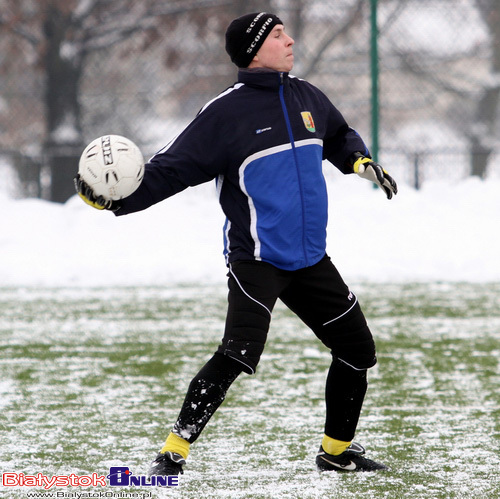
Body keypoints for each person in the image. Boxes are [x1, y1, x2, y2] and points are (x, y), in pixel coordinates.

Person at [75, 12, 397, 474]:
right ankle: (173, 452)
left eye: (286, 31)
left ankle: (336, 451)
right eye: (278, 34)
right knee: (238, 353)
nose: (289, 40)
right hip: (257, 261)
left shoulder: (307, 95)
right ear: (253, 49)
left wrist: (359, 161)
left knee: (357, 350)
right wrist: (116, 202)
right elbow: (172, 169)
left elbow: (338, 135)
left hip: (309, 259)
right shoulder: (225, 113)